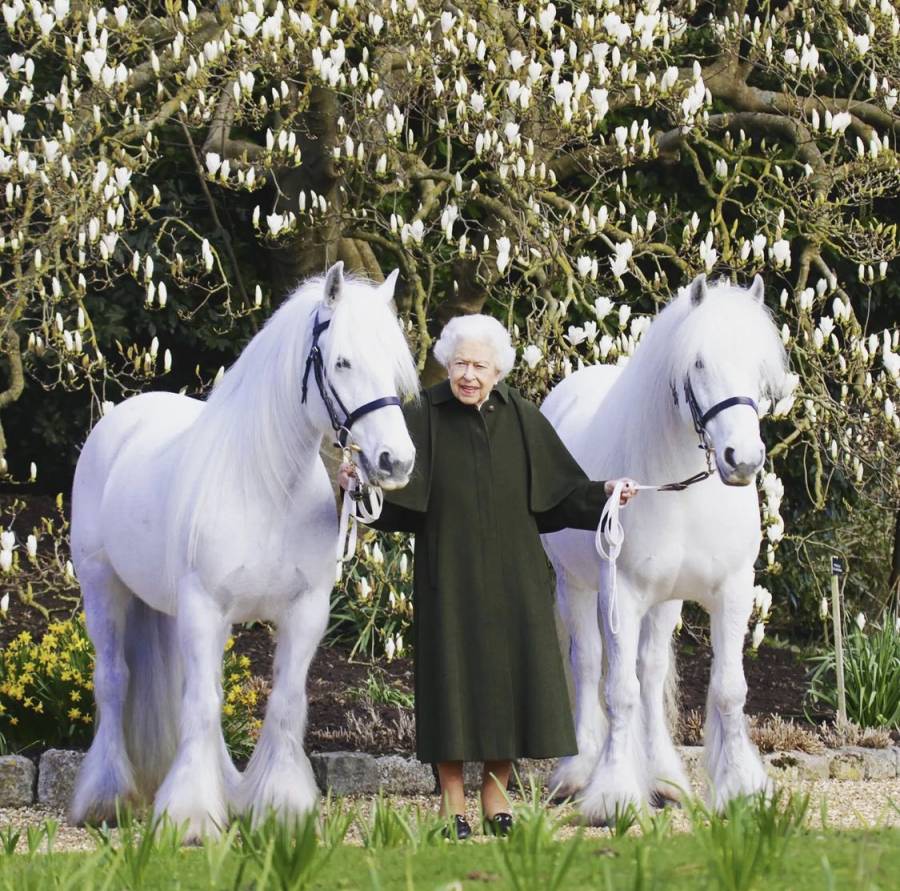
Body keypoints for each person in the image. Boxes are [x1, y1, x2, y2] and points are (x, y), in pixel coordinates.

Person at [338, 314, 637, 839]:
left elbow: (562, 494)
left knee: (511, 685)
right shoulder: (423, 415)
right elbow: (393, 500)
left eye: (478, 365)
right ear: (445, 366)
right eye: (459, 364)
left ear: (498, 369)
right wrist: (356, 486)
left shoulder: (521, 416)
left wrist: (607, 492)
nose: (468, 375)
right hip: (446, 575)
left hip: (514, 577)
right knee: (450, 685)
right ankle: (452, 797)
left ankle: (495, 790)